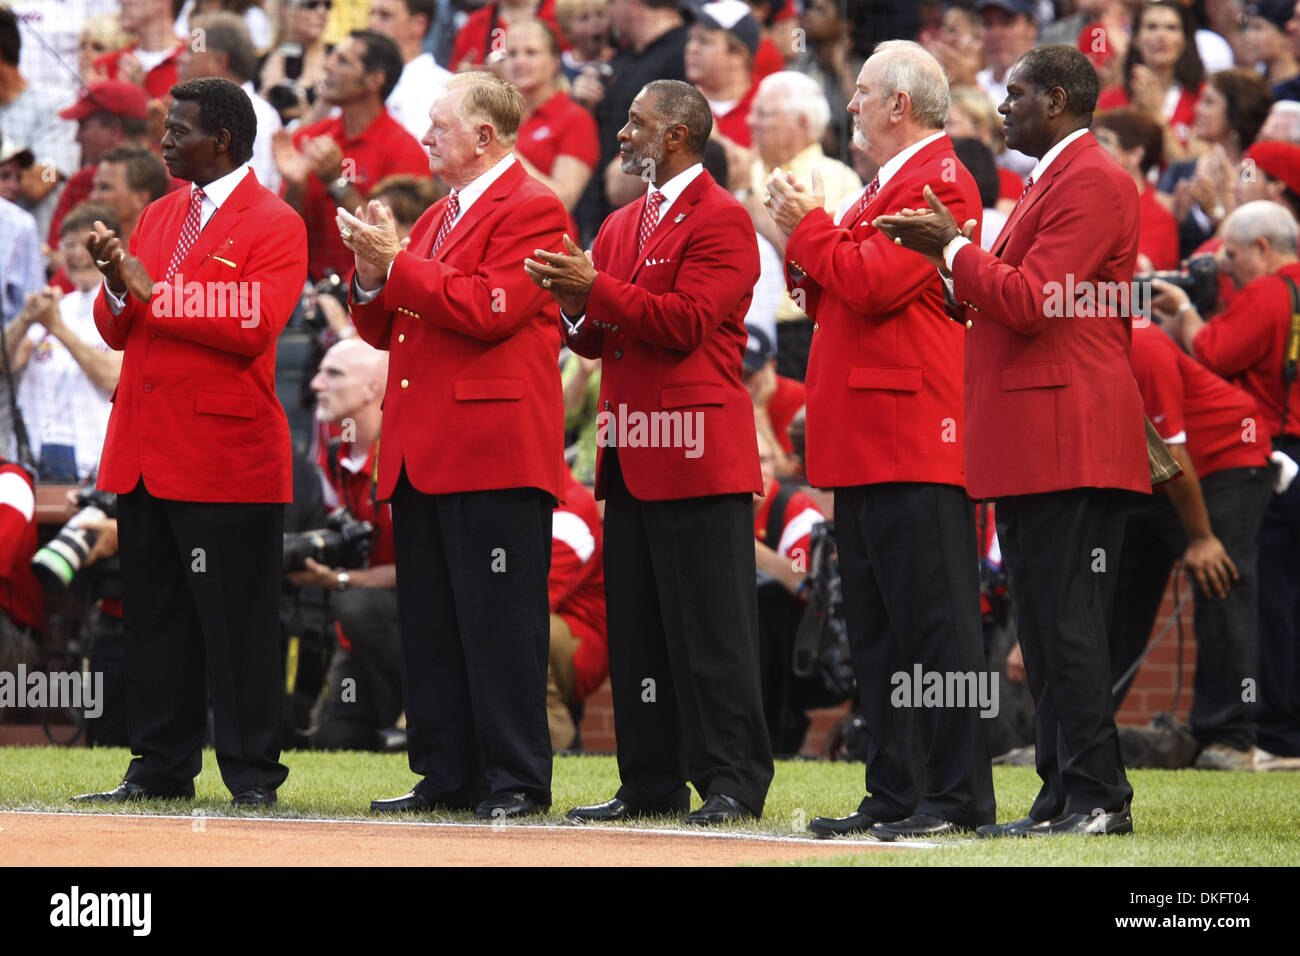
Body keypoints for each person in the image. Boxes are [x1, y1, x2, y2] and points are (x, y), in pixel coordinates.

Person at [877, 44, 1150, 836]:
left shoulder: (1094, 179)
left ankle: (1100, 797)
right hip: (1039, 431)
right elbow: (1007, 302)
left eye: (1016, 94)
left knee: (1066, 627)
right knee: (1045, 626)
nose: (1002, 108)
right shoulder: (1055, 179)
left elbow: (1031, 303)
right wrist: (949, 267)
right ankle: (1063, 792)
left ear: (1058, 100)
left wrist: (952, 248)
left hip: (1070, 431)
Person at [526, 78, 774, 825]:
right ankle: (648, 782)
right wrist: (573, 299)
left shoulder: (725, 220)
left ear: (677, 135)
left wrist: (593, 287)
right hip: (630, 454)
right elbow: (598, 339)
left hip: (698, 455)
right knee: (641, 633)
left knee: (713, 631)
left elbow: (689, 322)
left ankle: (733, 781)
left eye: (636, 123)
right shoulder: (621, 222)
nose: (623, 133)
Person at [766, 40, 994, 840]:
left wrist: (809, 229)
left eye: (861, 92)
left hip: (912, 434)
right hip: (867, 434)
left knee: (935, 628)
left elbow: (868, 282)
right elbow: (831, 288)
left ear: (900, 103)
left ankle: (956, 795)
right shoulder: (884, 186)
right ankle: (895, 788)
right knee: (878, 629)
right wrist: (806, 240)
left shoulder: (940, 179)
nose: (850, 104)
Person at [72, 76, 308, 807]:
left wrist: (150, 290)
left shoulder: (276, 222)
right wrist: (116, 281)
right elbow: (119, 325)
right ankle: (158, 768)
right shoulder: (157, 214)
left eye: (178, 130)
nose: (164, 141)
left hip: (225, 457)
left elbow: (252, 323)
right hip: (144, 450)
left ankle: (252, 776)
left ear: (225, 141)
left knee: (237, 628)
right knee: (155, 622)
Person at [341, 71, 568, 819]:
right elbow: (386, 327)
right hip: (425, 446)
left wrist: (397, 264)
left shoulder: (535, 207)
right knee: (433, 624)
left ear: (483, 135)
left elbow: (489, 309)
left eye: (439, 126)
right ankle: (446, 773)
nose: (425, 137)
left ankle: (516, 780)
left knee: (499, 623)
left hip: (492, 448)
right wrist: (373, 273)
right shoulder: (440, 214)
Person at [1159, 199, 1300, 768]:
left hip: (1274, 455)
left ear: (1262, 249)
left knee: (1271, 605)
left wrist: (1186, 311)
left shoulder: (1270, 290)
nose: (1228, 269)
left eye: (1233, 256)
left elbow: (1216, 352)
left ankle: (1277, 734)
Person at [1110, 320, 1273, 770]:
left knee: (1219, 580)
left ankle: (1231, 737)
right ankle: (1083, 731)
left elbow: (1173, 452)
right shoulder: (1072, 344)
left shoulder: (1143, 345)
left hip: (1223, 457)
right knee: (1119, 592)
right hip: (1154, 475)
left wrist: (1201, 538)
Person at [292, 337, 400, 752]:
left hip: (414, 623)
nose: (317, 384)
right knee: (335, 740)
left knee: (356, 604)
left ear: (373, 389)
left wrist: (339, 578)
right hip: (359, 631)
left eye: (333, 374)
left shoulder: (401, 459)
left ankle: (420, 716)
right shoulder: (334, 460)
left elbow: (423, 567)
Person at [273, 30, 430, 281]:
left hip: (366, 294)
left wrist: (337, 183)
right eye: (332, 57)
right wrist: (295, 186)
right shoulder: (310, 137)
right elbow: (281, 233)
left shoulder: (405, 151)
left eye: (343, 61)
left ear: (374, 80)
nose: (327, 65)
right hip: (300, 289)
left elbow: (394, 241)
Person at [740, 69, 862, 381]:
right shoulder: (744, 170)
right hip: (736, 326)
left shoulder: (834, 177)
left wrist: (747, 199)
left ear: (803, 123)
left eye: (763, 114)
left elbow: (813, 259)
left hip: (798, 331)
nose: (750, 122)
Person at [6, 203, 123, 482]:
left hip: (94, 459)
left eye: (85, 245)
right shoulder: (57, 305)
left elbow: (112, 377)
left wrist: (56, 327)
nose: (77, 255)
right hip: (34, 452)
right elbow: (7, 363)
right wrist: (24, 318)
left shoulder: (122, 306)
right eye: (68, 246)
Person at [179, 11, 285, 195]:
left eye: (191, 50)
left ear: (219, 61)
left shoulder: (257, 114)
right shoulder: (198, 110)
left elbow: (250, 194)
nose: (180, 58)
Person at [506, 18, 600, 214]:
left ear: (554, 62)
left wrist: (503, 152)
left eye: (531, 53)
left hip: (547, 239)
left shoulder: (575, 118)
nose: (519, 61)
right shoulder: (499, 117)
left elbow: (563, 200)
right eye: (512, 53)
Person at [1095, 1, 1205, 165]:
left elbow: (1187, 170)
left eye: (1171, 28)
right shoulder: (1110, 99)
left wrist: (1158, 116)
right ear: (1136, 39)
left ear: (1184, 40)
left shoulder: (1203, 98)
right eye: (1151, 27)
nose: (1161, 35)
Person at [546, 468, 608, 750]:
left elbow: (533, 598)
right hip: (554, 625)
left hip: (582, 642)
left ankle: (557, 740)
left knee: (516, 629)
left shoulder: (571, 508)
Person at [367, 0, 451, 142]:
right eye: (371, 14)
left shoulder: (444, 91)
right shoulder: (356, 80)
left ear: (418, 25)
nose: (372, 24)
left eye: (385, 16)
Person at [88, 145, 172, 245]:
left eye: (105, 188)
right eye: (94, 187)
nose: (93, 197)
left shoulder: (167, 248)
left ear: (141, 198)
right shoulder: (86, 246)